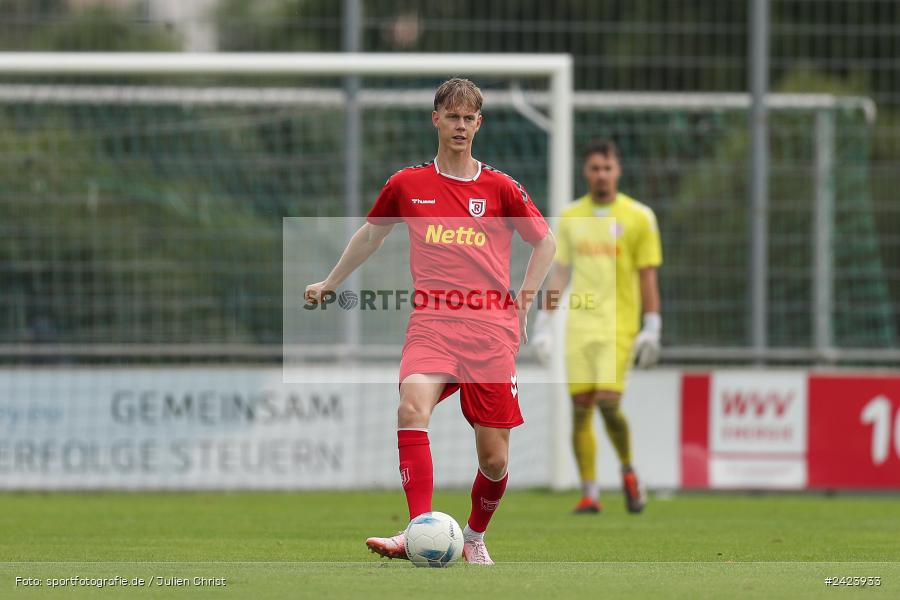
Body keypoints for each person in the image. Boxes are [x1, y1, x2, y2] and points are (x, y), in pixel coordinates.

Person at [304, 78, 555, 564]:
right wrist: (330, 282)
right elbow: (370, 237)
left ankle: (475, 536)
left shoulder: (500, 188)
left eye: (469, 118)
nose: (460, 126)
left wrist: (524, 301)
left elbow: (545, 241)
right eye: (452, 116)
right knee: (410, 408)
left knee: (495, 458)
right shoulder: (406, 184)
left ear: (478, 125)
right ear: (435, 119)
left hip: (489, 331)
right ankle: (418, 529)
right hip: (433, 323)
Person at [532, 139, 662, 514]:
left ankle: (627, 469)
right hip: (579, 327)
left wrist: (652, 325)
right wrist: (544, 322)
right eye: (594, 168)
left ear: (617, 170)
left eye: (607, 168)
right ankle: (590, 492)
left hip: (619, 326)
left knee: (608, 404)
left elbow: (647, 275)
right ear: (585, 172)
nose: (601, 175)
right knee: (580, 408)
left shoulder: (639, 217)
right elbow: (559, 273)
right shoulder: (572, 217)